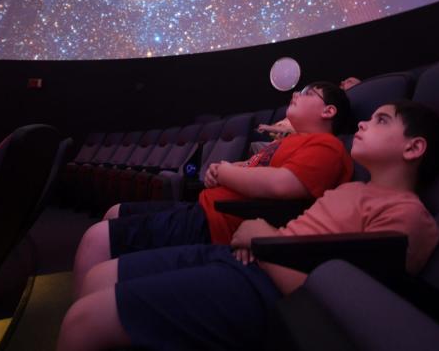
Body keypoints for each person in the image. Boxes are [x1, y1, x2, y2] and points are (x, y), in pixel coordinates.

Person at [58, 100, 439, 351]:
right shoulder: (353, 188)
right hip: (246, 258)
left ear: (413, 148)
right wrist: (263, 239)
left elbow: (348, 299)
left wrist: (264, 239)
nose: (364, 123)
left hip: (265, 288)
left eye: (381, 120)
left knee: (83, 321)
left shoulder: (409, 215)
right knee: (99, 278)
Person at [71, 81, 355, 298]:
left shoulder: (326, 146)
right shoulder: (284, 143)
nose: (295, 94)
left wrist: (226, 172)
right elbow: (247, 167)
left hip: (215, 222)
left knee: (95, 239)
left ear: (328, 110)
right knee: (114, 212)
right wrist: (221, 171)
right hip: (204, 208)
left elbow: (280, 184)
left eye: (306, 92)